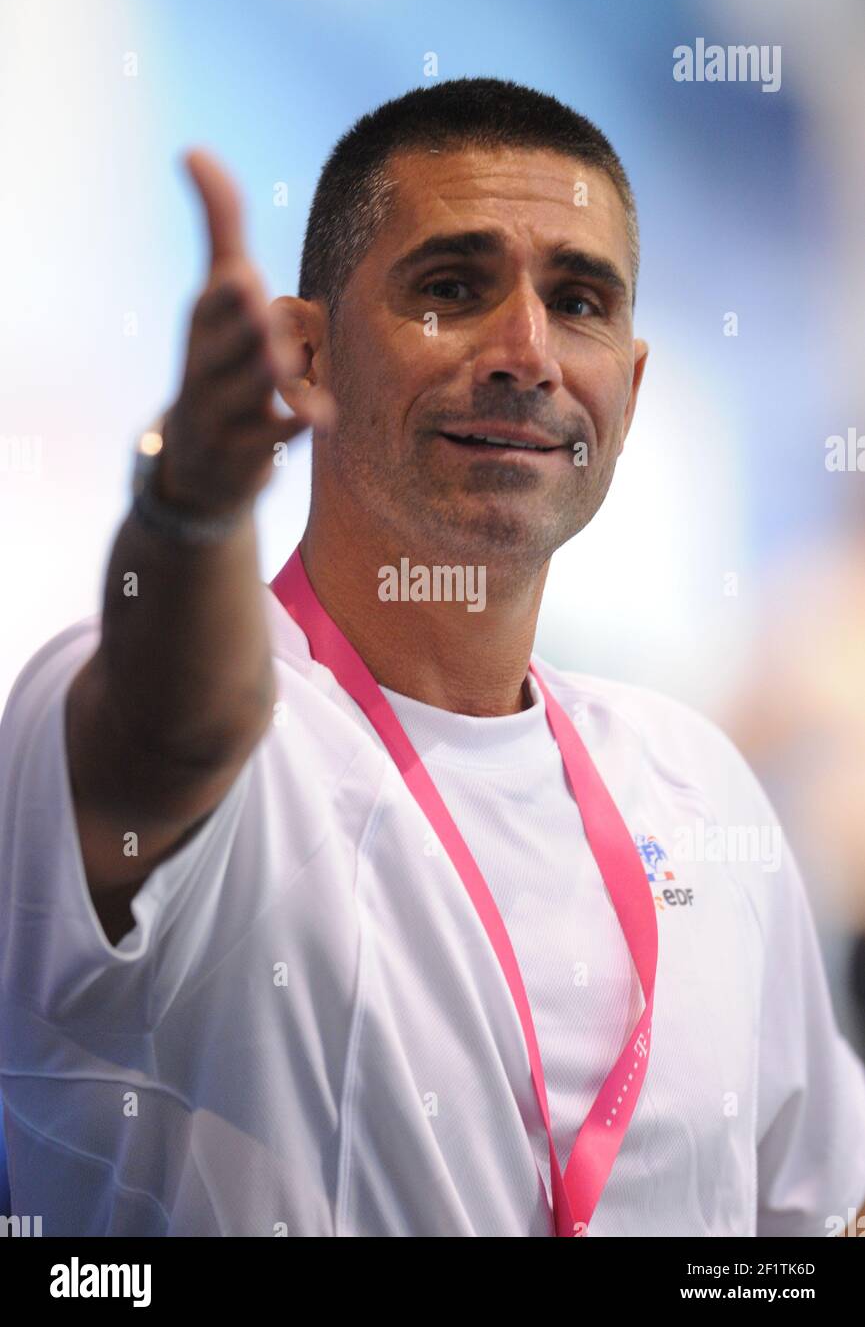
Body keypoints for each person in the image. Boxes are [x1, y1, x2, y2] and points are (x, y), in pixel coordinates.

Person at [1, 77, 864, 1238]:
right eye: (452, 289)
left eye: (580, 301)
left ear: (631, 386)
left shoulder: (693, 780)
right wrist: (191, 505)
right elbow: (172, 731)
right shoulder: (139, 713)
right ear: (305, 356)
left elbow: (813, 1220)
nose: (526, 351)